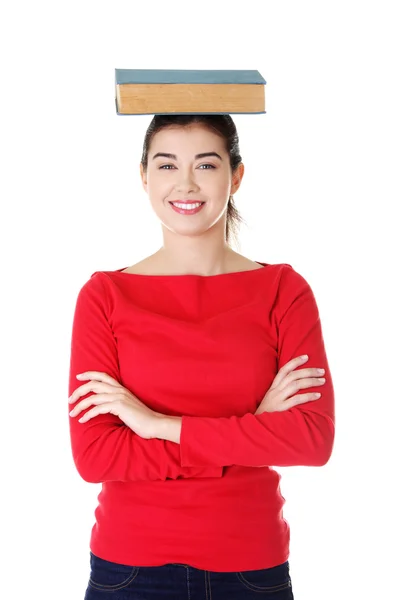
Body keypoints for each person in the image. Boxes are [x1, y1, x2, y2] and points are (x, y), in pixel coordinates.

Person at [67, 114, 335, 599]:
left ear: (236, 175)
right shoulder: (105, 295)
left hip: (251, 566)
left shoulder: (283, 292)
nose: (185, 183)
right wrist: (251, 427)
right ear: (144, 176)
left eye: (206, 165)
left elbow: (310, 440)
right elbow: (95, 455)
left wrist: (158, 425)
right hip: (129, 568)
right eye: (166, 165)